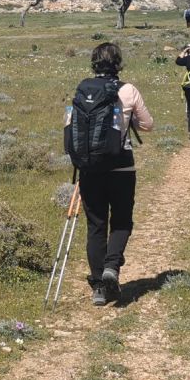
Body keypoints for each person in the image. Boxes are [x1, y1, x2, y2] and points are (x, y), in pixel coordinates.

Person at [70, 42, 154, 305]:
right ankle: (111, 268)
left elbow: (71, 125)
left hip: (89, 168)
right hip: (121, 166)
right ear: (118, 63)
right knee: (121, 221)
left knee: (96, 225)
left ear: (94, 63)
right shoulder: (128, 90)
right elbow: (148, 125)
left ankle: (98, 287)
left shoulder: (83, 90)